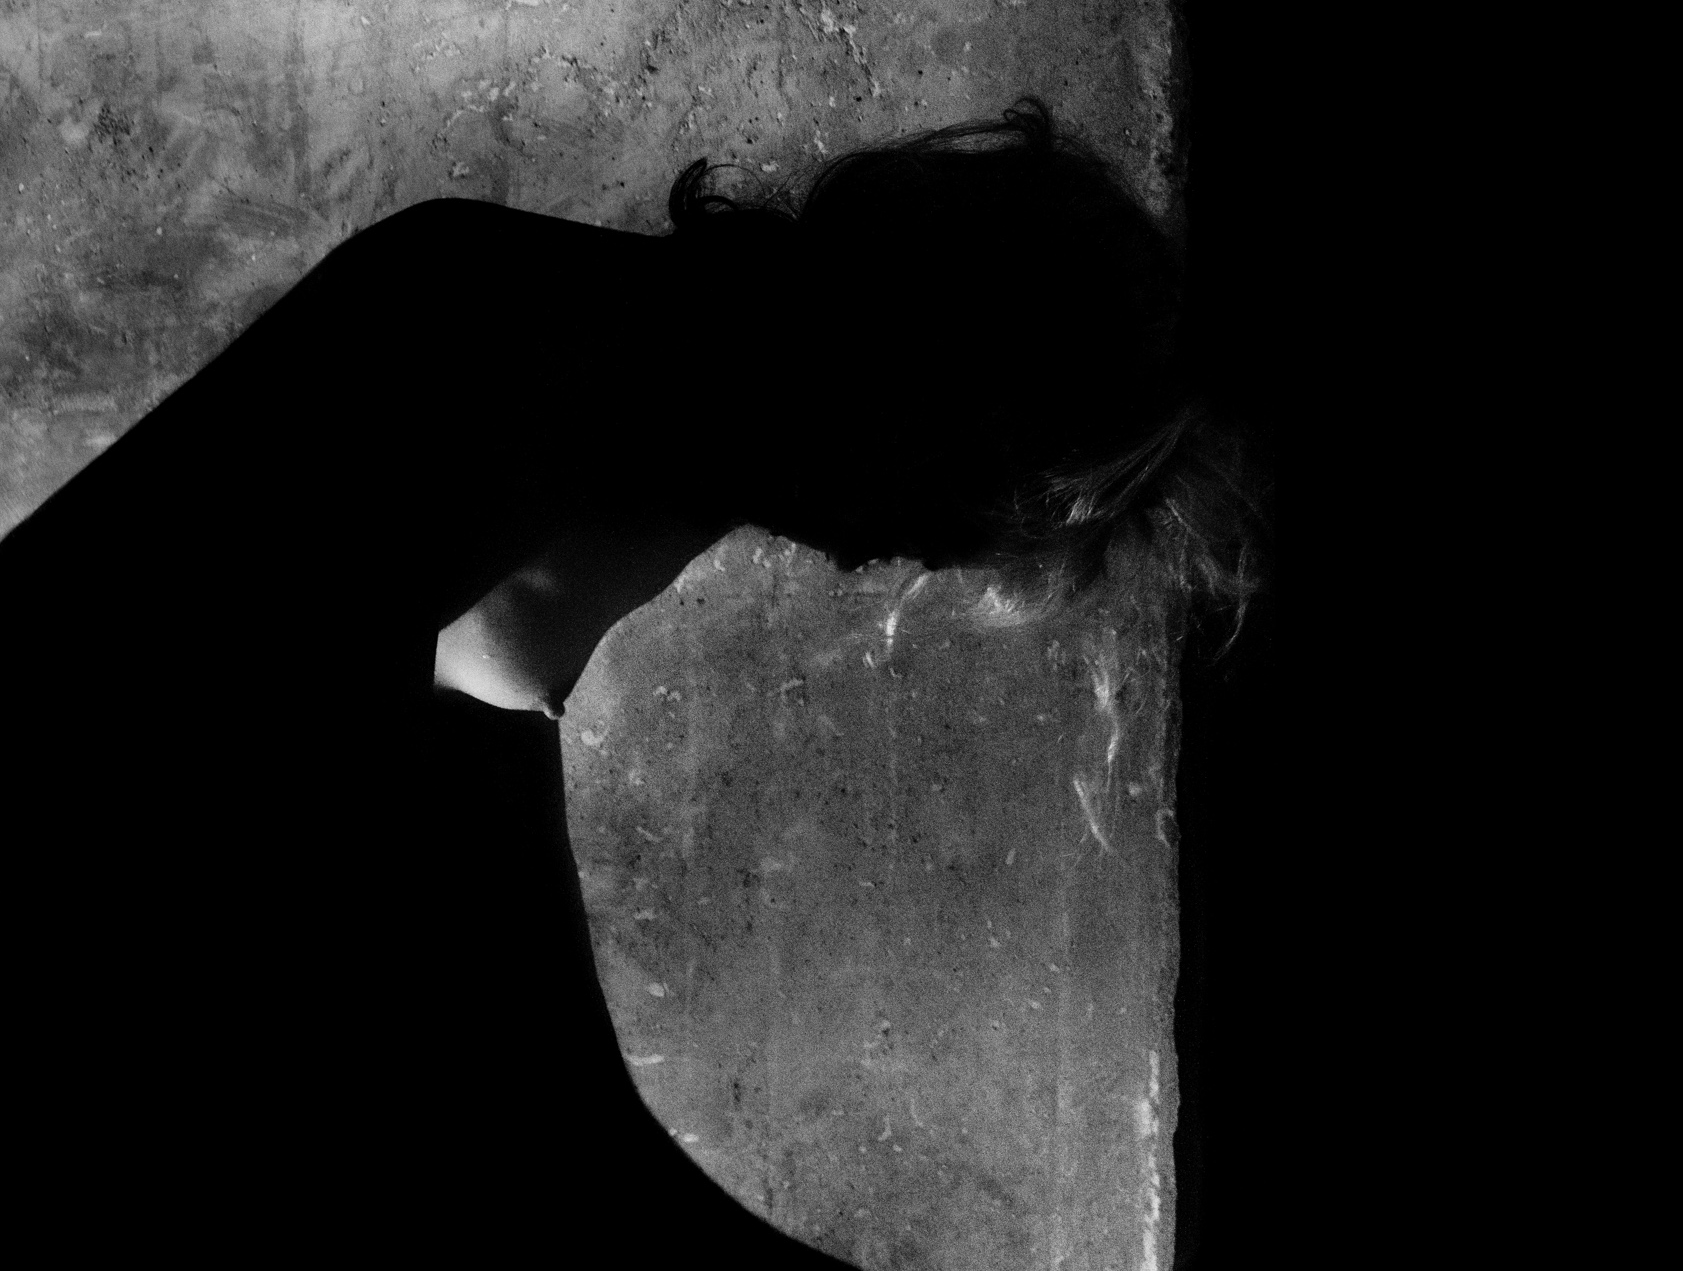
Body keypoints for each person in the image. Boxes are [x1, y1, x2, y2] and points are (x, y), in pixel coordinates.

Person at [1, 98, 1259, 1254]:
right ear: (926, 366)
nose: (925, 557)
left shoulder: (596, 430)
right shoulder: (502, 345)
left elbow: (550, 1104)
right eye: (969, 494)